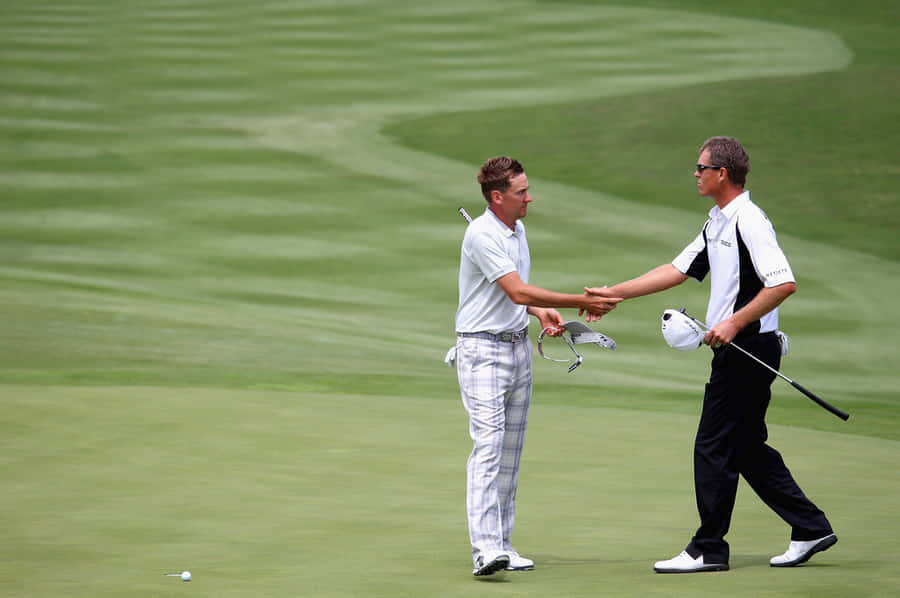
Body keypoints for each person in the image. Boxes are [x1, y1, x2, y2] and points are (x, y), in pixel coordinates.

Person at [584, 136, 837, 573]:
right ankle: (810, 526)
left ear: (722, 173)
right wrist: (615, 293)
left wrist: (734, 322)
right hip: (738, 348)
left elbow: (783, 283)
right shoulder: (718, 221)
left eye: (701, 168)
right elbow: (677, 270)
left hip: (748, 349)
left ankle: (708, 548)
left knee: (713, 445)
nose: (696, 174)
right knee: (745, 447)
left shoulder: (749, 221)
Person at [454, 156, 621, 577]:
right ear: (497, 197)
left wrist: (539, 310)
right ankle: (485, 549)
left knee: (510, 454)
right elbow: (517, 290)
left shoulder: (517, 229)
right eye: (521, 192)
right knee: (489, 448)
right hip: (482, 351)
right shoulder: (481, 234)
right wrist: (580, 300)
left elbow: (514, 295)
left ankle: (503, 545)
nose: (529, 198)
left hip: (517, 348)